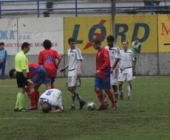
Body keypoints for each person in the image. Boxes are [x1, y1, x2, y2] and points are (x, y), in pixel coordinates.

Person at [60, 37, 86, 110]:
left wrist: (79, 70)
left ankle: (73, 104)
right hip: (70, 71)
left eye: (74, 43)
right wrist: (64, 68)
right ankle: (80, 101)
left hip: (75, 71)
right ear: (69, 44)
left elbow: (80, 60)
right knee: (69, 88)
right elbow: (70, 62)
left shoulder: (77, 50)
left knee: (72, 88)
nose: (73, 45)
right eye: (72, 44)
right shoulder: (68, 51)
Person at [92, 38, 117, 110]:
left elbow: (107, 62)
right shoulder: (98, 51)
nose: (93, 47)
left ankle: (114, 104)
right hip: (99, 74)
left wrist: (100, 69)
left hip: (105, 73)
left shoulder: (104, 51)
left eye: (94, 45)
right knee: (96, 89)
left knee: (107, 90)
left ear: (97, 44)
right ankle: (103, 104)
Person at [13, 42, 30, 112]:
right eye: (28, 48)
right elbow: (23, 68)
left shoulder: (18, 54)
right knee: (22, 90)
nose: (29, 49)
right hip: (22, 74)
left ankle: (17, 106)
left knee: (20, 90)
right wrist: (26, 77)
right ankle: (20, 107)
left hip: (18, 73)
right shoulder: (23, 56)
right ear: (25, 47)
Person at [105, 35, 120, 100]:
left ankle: (116, 101)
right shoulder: (105, 48)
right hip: (107, 69)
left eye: (110, 42)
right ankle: (104, 102)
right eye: (108, 42)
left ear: (113, 42)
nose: (109, 43)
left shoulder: (117, 49)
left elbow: (117, 59)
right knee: (105, 85)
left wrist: (112, 68)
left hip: (115, 69)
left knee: (114, 85)